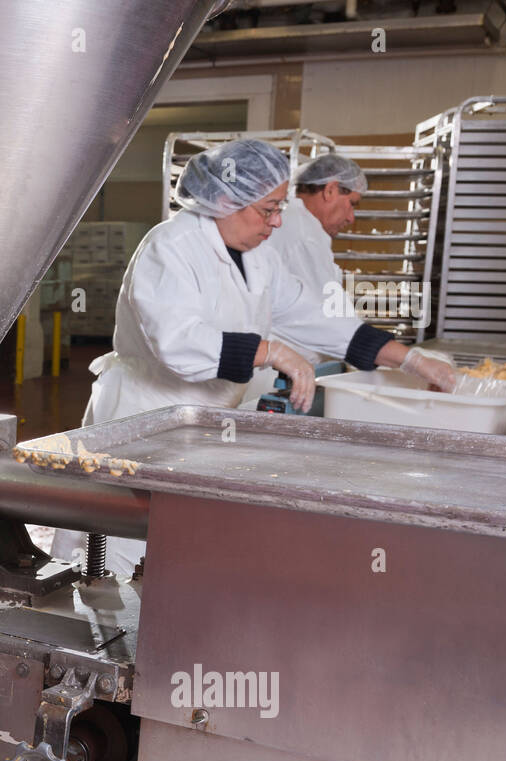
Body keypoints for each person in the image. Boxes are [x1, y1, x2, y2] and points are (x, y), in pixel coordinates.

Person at [62, 139, 456, 576]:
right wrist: (271, 351)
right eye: (268, 209)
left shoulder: (258, 257)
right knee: (117, 557)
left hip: (202, 425)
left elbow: (317, 316)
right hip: (143, 420)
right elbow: (178, 343)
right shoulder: (170, 246)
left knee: (177, 556)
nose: (277, 221)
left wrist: (409, 360)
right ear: (227, 199)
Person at [262, 153, 367, 365]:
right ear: (330, 190)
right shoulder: (304, 234)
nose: (351, 218)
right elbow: (328, 314)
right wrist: (385, 354)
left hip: (281, 363)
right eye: (352, 204)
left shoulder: (293, 220)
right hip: (277, 369)